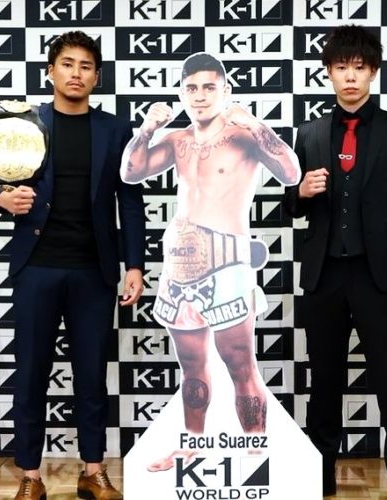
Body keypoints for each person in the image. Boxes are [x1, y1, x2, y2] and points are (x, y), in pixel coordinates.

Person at [0, 30, 146, 500]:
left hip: (94, 271)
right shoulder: (23, 122)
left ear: (97, 76)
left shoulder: (115, 130)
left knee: (91, 377)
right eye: (67, 64)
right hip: (36, 267)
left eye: (86, 66)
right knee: (30, 375)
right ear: (50, 71)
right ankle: (30, 476)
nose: (76, 73)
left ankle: (93, 472)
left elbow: (130, 200)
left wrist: (135, 265)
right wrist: (1, 197)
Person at [121, 52, 300, 471]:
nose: (199, 96)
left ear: (225, 90)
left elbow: (291, 173)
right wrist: (147, 129)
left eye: (208, 87)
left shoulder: (244, 136)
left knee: (239, 362)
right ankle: (192, 444)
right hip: (181, 265)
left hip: (228, 262)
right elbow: (131, 172)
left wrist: (256, 124)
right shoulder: (177, 140)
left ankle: (256, 449)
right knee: (191, 366)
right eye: (191, 88)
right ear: (182, 93)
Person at [282, 24, 387, 500]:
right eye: (342, 67)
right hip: (324, 274)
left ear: (373, 71)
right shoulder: (308, 133)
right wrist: (301, 192)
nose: (350, 76)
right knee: (325, 382)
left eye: (359, 67)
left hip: (378, 275)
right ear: (328, 72)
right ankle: (321, 476)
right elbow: (291, 206)